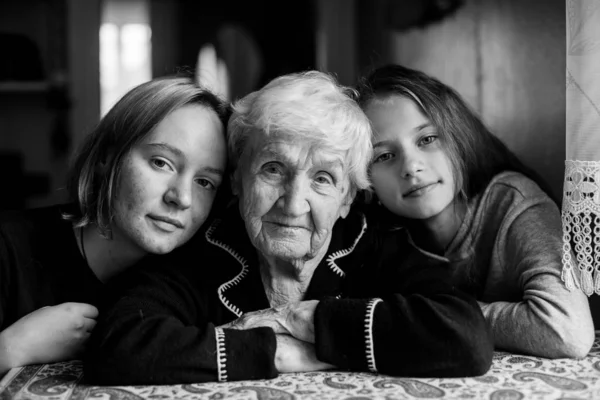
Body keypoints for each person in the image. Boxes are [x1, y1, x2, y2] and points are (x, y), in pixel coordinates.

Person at [84, 70, 493, 385]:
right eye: (273, 169)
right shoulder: (204, 245)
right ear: (238, 181)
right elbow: (118, 346)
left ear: (348, 197)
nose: (294, 203)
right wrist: (278, 354)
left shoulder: (374, 243)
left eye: (323, 179)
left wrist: (308, 321)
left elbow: (465, 336)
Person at [356, 64, 595, 359]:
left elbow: (567, 332)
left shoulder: (512, 203)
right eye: (385, 155)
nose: (410, 167)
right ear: (364, 176)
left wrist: (441, 317)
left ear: (457, 137)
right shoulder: (369, 233)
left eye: (427, 139)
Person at [0, 75, 229, 376]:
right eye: (162, 162)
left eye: (204, 182)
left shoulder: (203, 279)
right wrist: (13, 347)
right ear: (108, 156)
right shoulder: (8, 246)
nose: (182, 198)